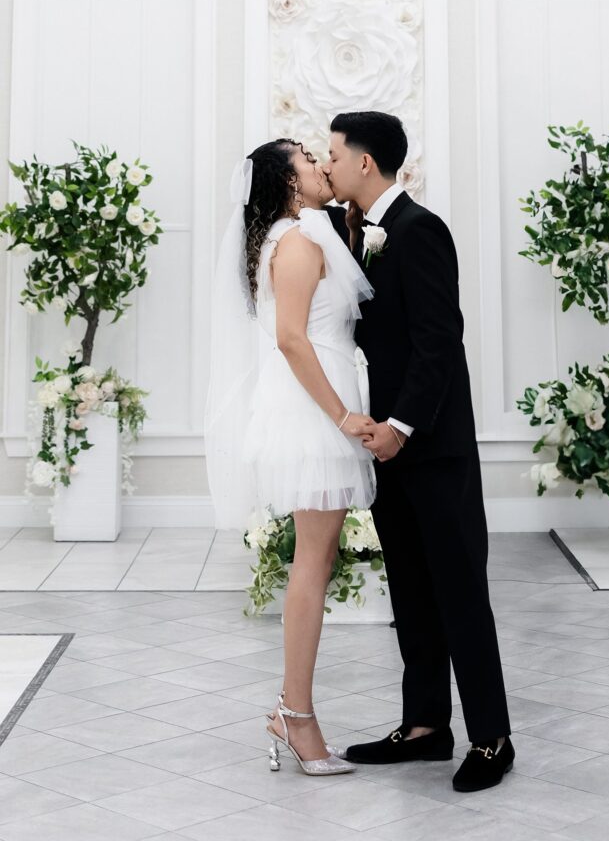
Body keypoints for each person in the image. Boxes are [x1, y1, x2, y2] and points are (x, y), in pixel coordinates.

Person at [321, 111, 514, 793]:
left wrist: (400, 425)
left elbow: (439, 341)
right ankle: (426, 726)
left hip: (431, 446)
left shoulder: (419, 229)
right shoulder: (358, 232)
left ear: (365, 164)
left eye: (334, 153)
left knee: (459, 591)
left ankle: (492, 738)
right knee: (410, 590)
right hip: (387, 445)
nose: (327, 164)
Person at [204, 138, 376, 777]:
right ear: (287, 182)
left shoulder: (295, 235)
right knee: (312, 562)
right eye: (308, 158)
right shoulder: (298, 243)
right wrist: (342, 416)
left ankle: (293, 710)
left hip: (315, 405)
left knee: (318, 559)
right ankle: (295, 715)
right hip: (315, 412)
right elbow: (291, 339)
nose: (320, 164)